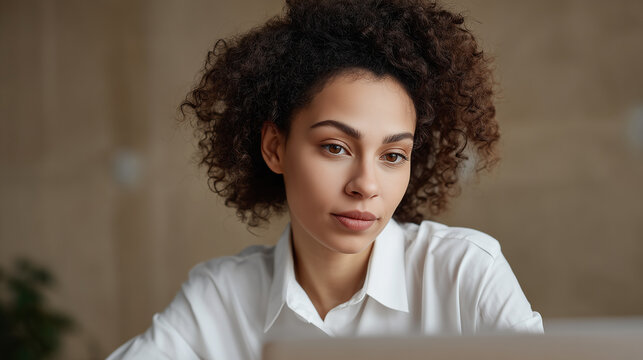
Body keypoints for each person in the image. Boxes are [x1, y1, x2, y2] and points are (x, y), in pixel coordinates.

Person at [108, 0, 543, 358]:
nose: (366, 184)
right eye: (336, 147)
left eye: (393, 155)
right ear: (275, 148)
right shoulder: (220, 298)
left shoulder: (466, 273)